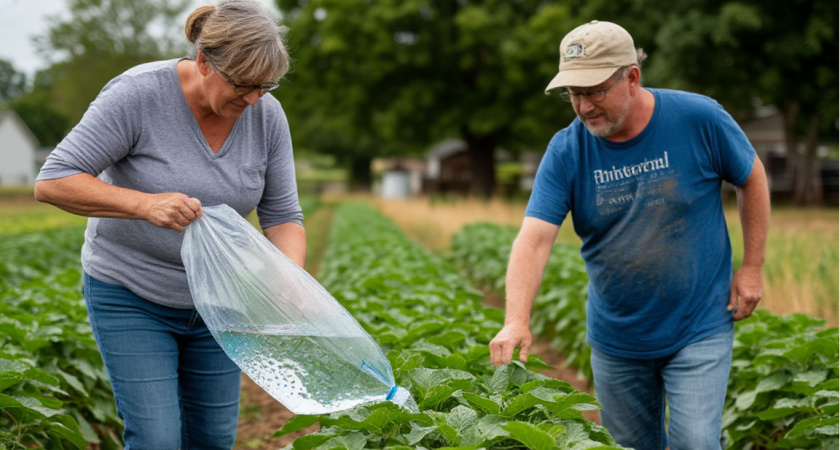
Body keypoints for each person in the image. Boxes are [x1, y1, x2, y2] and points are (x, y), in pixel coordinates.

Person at [34, 1, 305, 447]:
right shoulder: (138, 95)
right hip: (132, 295)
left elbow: (282, 216)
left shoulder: (266, 113)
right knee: (157, 438)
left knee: (213, 440)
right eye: (244, 85)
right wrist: (143, 204)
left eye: (266, 85)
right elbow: (54, 181)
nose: (255, 98)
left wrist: (289, 278)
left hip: (220, 301)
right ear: (204, 62)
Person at [488, 20, 770, 450]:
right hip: (618, 338)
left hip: (699, 325)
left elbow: (752, 177)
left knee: (696, 442)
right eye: (573, 95)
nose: (583, 107)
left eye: (595, 91)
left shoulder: (699, 118)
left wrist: (752, 267)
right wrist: (516, 320)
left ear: (632, 77)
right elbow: (534, 239)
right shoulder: (567, 151)